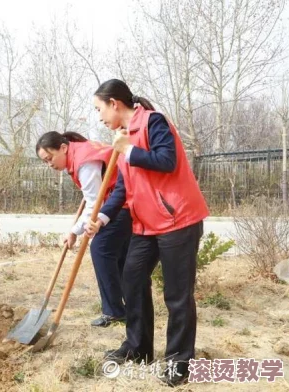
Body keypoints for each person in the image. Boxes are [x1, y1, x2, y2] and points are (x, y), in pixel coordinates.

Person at [84, 79, 209, 386]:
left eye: (99, 109)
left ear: (115, 103)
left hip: (177, 219)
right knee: (132, 278)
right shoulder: (123, 136)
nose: (99, 116)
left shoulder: (154, 122)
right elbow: (124, 187)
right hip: (146, 224)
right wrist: (101, 217)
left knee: (177, 295)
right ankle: (138, 348)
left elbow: (168, 161)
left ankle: (180, 362)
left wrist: (129, 150)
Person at [36, 131, 131, 327]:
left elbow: (93, 204)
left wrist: (74, 231)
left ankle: (114, 311)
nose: (50, 164)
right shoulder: (79, 152)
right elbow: (93, 196)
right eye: (45, 162)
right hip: (119, 200)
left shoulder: (84, 161)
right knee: (117, 254)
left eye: (50, 158)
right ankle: (128, 306)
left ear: (63, 148)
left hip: (122, 203)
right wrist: (73, 231)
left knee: (101, 249)